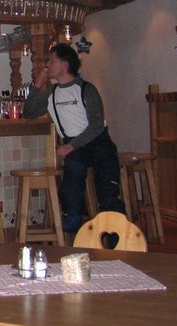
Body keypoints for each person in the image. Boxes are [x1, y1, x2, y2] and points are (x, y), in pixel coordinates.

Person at [22, 42, 126, 234]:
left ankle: (118, 235)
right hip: (75, 146)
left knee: (108, 191)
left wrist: (70, 147)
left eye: (52, 60)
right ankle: (73, 221)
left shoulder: (86, 89)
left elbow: (96, 125)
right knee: (73, 171)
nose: (47, 65)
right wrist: (36, 86)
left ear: (65, 64)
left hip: (98, 142)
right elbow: (29, 113)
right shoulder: (51, 93)